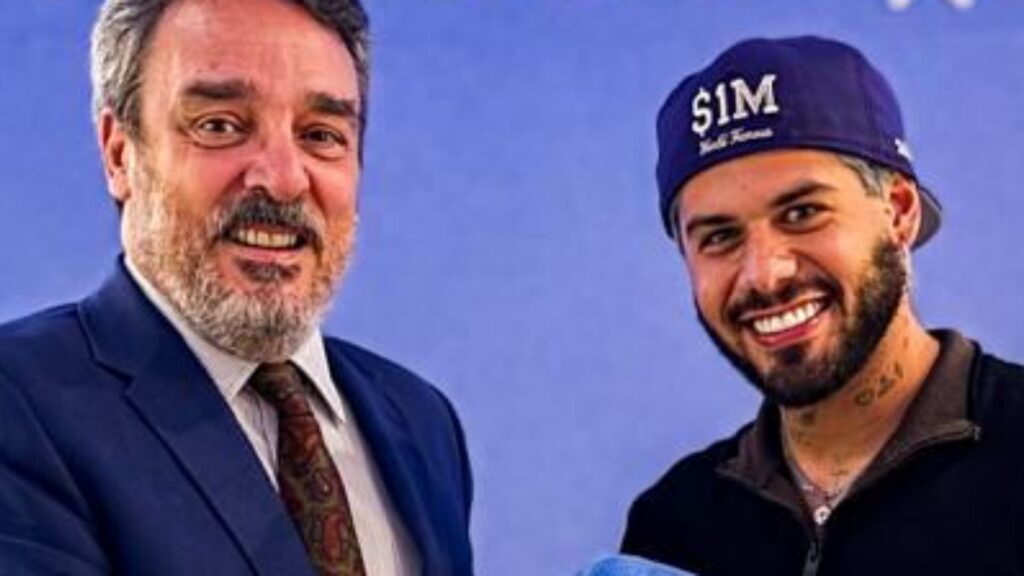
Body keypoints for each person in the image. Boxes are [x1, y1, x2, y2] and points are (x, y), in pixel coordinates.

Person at [0, 0, 473, 574]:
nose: (284, 179)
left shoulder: (421, 421)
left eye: (320, 135)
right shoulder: (19, 401)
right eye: (220, 126)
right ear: (119, 154)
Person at [620, 36, 1024, 575]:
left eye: (802, 213)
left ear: (899, 211)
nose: (765, 274)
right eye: (720, 237)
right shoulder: (673, 525)